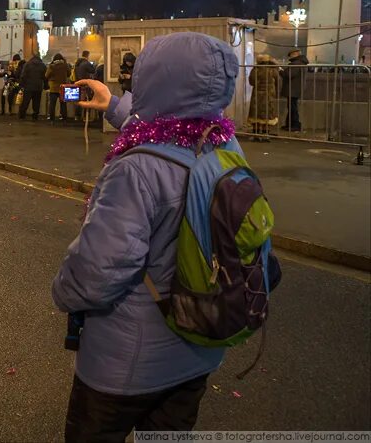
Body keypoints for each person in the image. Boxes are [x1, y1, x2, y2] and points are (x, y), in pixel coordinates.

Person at [53, 32, 242, 441]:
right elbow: (169, 131)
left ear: (153, 80)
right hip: (198, 347)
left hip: (127, 361)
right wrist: (115, 106)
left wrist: (62, 293)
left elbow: (98, 272)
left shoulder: (136, 170)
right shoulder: (224, 145)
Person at [248, 54, 280, 142]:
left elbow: (251, 82)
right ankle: (266, 135)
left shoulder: (256, 69)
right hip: (269, 95)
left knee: (256, 113)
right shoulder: (273, 69)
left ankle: (256, 134)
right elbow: (278, 82)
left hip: (257, 95)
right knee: (267, 113)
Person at [280, 48, 307, 132]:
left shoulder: (296, 63)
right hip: (295, 89)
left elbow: (289, 74)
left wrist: (280, 71)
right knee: (291, 107)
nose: (290, 56)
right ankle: (290, 125)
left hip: (293, 89)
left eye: (291, 54)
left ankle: (295, 125)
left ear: (295, 54)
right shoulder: (301, 63)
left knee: (292, 108)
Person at [16, 53, 47, 120]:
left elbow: (23, 76)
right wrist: (46, 86)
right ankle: (35, 115)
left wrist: (21, 85)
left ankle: (22, 115)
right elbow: (45, 77)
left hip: (28, 86)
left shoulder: (27, 64)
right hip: (38, 87)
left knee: (25, 102)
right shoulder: (43, 65)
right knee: (36, 102)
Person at [45, 53, 71, 121]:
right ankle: (64, 118)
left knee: (52, 104)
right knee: (63, 103)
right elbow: (69, 74)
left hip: (53, 87)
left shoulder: (52, 66)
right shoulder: (65, 65)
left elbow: (46, 75)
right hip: (62, 87)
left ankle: (52, 118)